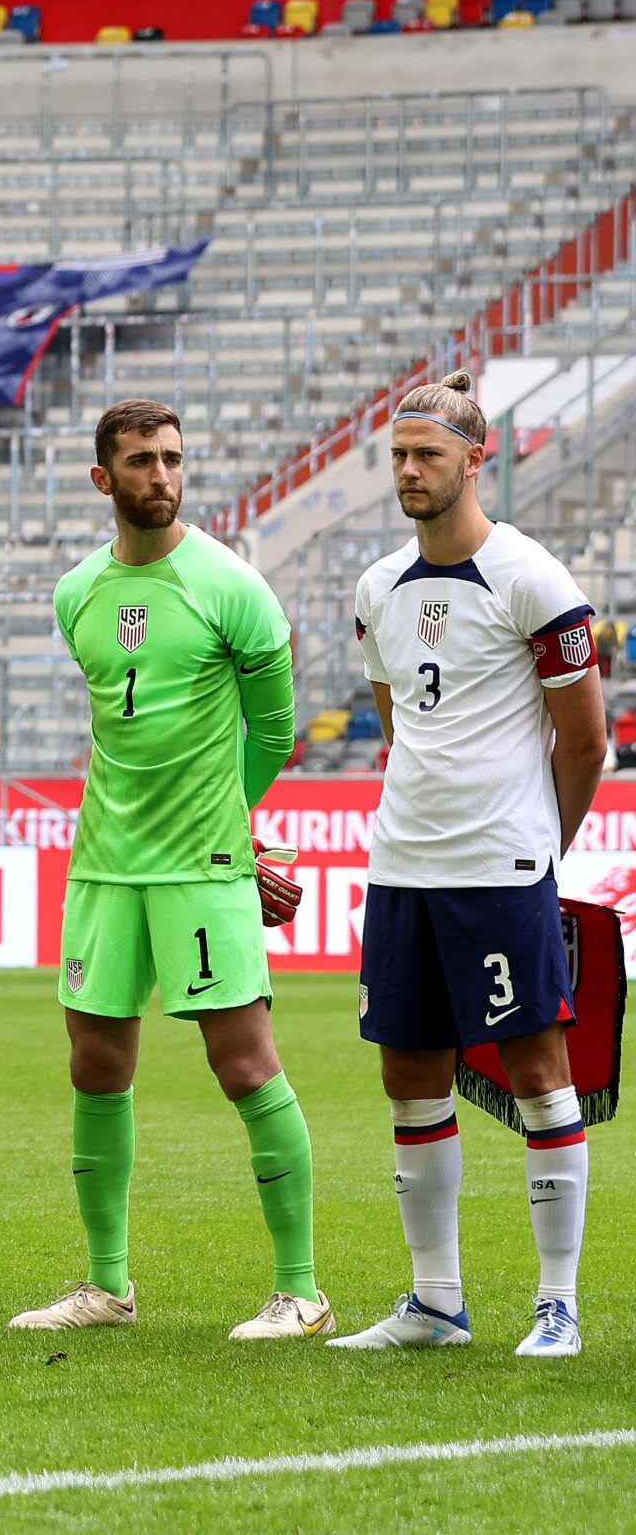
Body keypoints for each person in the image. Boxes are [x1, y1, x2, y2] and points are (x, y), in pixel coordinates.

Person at [11, 400, 327, 1340]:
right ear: (103, 479)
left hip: (202, 864)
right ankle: (107, 1286)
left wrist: (230, 824)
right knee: (94, 1065)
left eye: (174, 458)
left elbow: (272, 730)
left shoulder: (232, 586)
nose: (162, 474)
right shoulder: (77, 594)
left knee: (243, 1065)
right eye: (141, 461)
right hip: (105, 866)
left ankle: (300, 1289)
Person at [328, 372, 606, 1359]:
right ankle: (434, 1304)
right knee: (408, 1075)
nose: (407, 471)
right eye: (397, 456)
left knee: (537, 1073)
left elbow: (585, 745)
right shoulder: (374, 589)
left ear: (474, 459)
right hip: (402, 865)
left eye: (427, 456)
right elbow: (403, 730)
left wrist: (538, 847)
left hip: (501, 866)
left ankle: (556, 1304)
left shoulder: (533, 578)